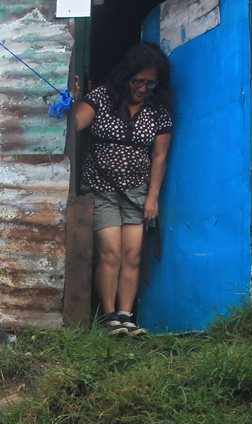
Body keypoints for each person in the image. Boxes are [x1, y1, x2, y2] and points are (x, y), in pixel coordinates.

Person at [74, 43, 173, 336]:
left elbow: (159, 156)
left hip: (136, 191)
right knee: (110, 252)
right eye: (138, 81)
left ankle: (126, 315)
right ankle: (108, 317)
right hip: (101, 187)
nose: (143, 88)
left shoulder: (159, 112)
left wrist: (153, 196)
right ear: (126, 76)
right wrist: (71, 98)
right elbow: (76, 122)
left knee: (132, 255)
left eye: (150, 83)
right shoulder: (102, 97)